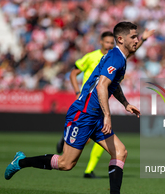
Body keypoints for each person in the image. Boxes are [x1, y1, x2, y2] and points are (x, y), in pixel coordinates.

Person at [5, 21, 143, 194]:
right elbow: (102, 86)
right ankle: (21, 161)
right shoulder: (116, 58)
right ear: (121, 38)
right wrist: (108, 116)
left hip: (94, 115)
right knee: (66, 164)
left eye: (137, 36)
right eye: (133, 37)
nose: (137, 39)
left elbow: (113, 84)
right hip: (84, 114)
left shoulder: (119, 57)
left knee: (120, 152)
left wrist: (125, 103)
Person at [56, 29, 154, 179]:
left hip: (97, 106)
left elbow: (128, 52)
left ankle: (98, 179)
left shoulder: (116, 57)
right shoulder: (95, 57)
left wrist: (143, 40)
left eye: (110, 42)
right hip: (87, 104)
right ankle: (67, 139)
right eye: (106, 42)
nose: (108, 45)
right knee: (68, 161)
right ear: (102, 42)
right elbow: (77, 74)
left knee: (117, 150)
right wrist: (77, 92)